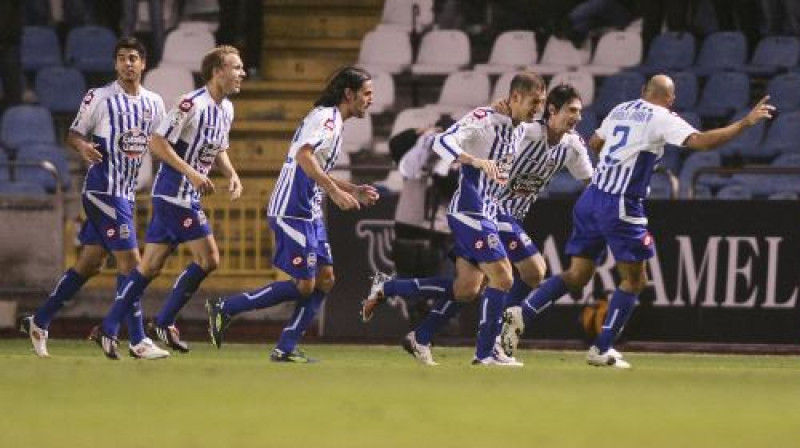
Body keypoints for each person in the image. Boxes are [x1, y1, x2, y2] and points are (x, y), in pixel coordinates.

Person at [500, 74, 774, 369]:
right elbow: (701, 142)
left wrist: (617, 162)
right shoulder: (662, 117)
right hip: (620, 203)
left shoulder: (621, 108)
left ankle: (521, 314)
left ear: (643, 91)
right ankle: (601, 349)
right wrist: (744, 123)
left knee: (577, 274)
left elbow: (595, 141)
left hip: (591, 198)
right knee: (635, 280)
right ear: (671, 98)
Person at [362, 84, 593, 366]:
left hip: (499, 215)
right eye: (571, 110)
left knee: (466, 289)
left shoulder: (568, 144)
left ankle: (412, 323)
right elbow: (487, 128)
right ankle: (492, 345)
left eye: (580, 111)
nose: (577, 117)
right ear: (551, 111)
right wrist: (490, 124)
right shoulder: (526, 131)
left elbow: (590, 182)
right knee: (524, 273)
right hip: (491, 211)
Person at [205, 66, 378, 363]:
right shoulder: (326, 119)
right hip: (291, 209)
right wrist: (335, 192)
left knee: (325, 279)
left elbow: (315, 168)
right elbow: (303, 156)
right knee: (305, 285)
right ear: (349, 94)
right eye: (367, 93)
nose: (370, 100)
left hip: (308, 211)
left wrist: (353, 188)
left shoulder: (332, 120)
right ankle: (225, 308)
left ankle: (286, 347)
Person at [92, 45, 245, 359]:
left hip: (181, 195)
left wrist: (231, 173)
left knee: (148, 268)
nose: (242, 73)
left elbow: (218, 148)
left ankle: (108, 328)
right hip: (174, 194)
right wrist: (190, 172)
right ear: (218, 71)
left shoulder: (226, 108)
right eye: (237, 67)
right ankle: (163, 322)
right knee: (209, 259)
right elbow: (157, 143)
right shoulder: (191, 104)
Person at [20, 37, 167, 358]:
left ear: (143, 64)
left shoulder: (155, 103)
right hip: (103, 190)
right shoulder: (98, 98)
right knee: (133, 265)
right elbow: (74, 134)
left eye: (133, 58)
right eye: (122, 58)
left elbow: (159, 144)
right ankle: (137, 339)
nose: (128, 63)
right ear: (115, 64)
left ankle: (39, 319)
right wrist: (82, 146)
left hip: (125, 193)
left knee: (90, 264)